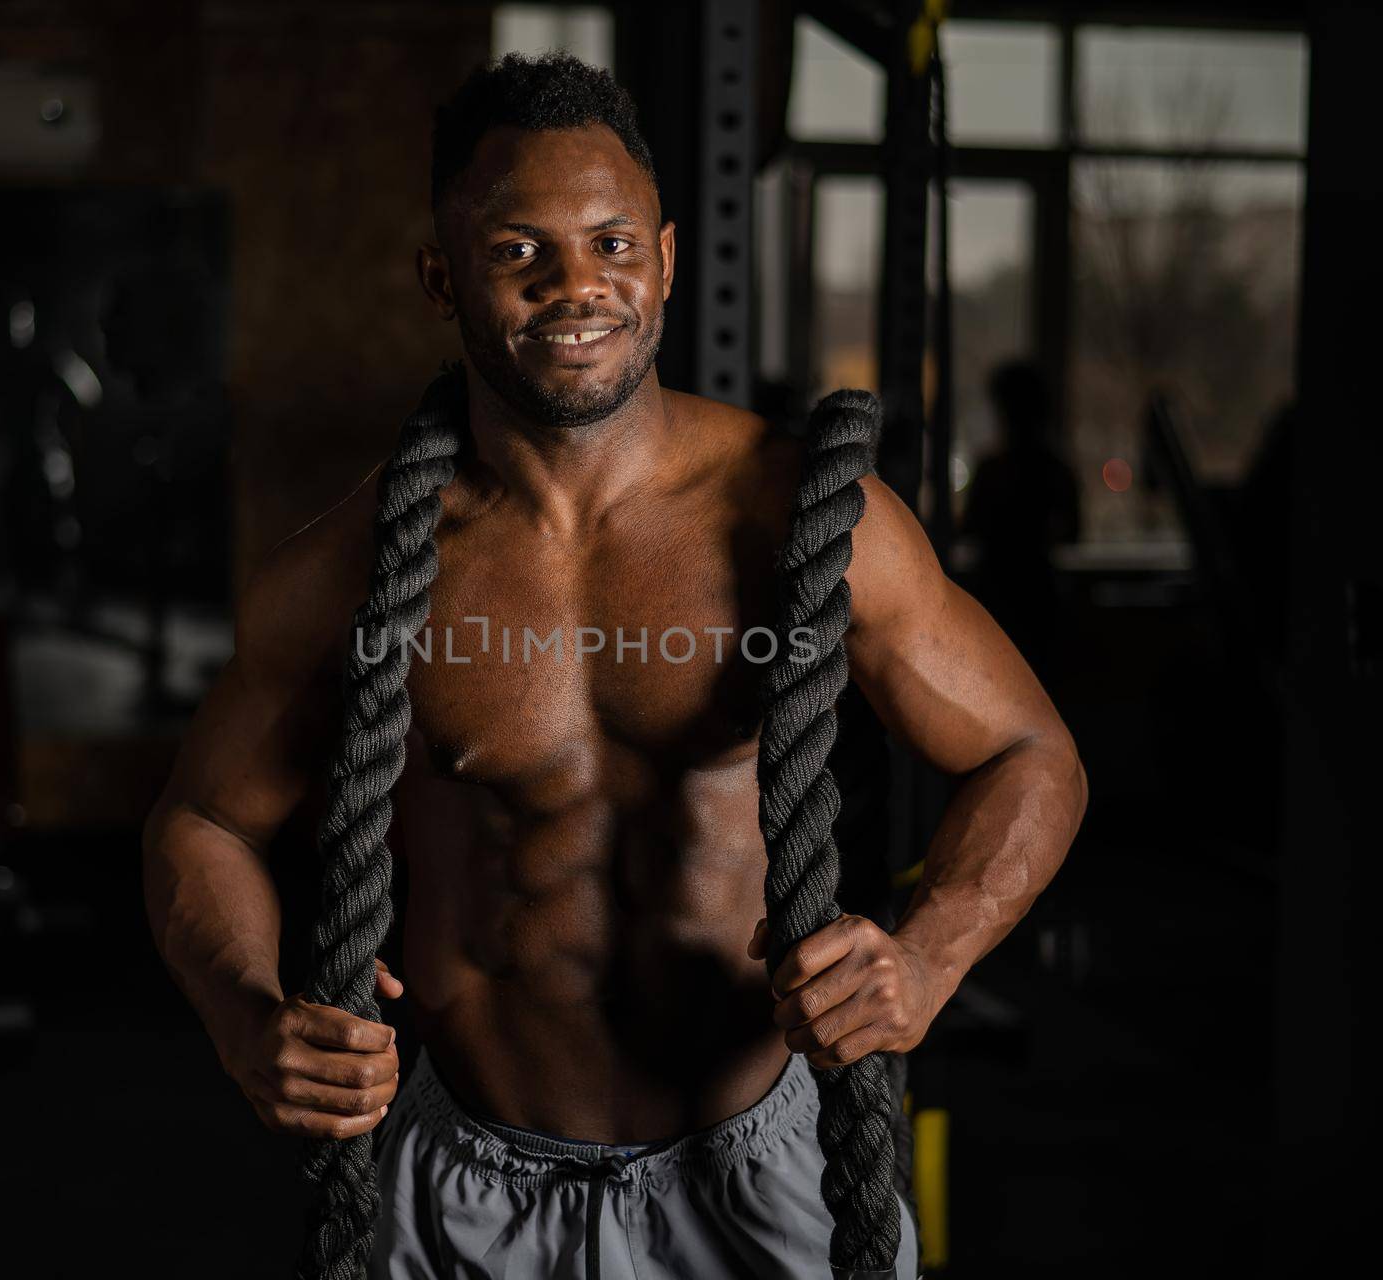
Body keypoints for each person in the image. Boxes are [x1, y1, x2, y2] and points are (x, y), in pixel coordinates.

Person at [142, 53, 1086, 1280]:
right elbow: (201, 818)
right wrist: (244, 1018)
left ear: (670, 261)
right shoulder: (346, 572)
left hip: (765, 1173)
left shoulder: (810, 519)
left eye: (611, 243)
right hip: (467, 1187)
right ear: (443, 276)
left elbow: (1032, 755)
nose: (576, 286)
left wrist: (927, 955)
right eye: (517, 250)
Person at [959, 360, 1081, 680]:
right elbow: (1073, 531)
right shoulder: (1056, 469)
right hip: (1037, 590)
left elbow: (968, 528)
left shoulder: (993, 469)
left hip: (998, 590)